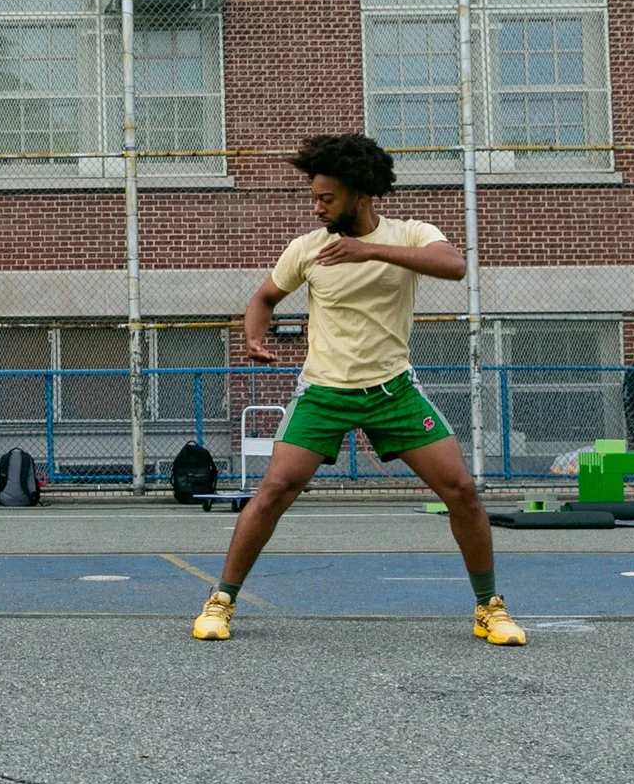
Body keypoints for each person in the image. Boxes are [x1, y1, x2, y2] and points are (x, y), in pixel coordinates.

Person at [194, 134, 524, 647]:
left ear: (360, 195)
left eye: (327, 198)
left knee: (461, 492)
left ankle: (489, 607)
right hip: (324, 391)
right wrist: (254, 333)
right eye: (315, 197)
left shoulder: (411, 233)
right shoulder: (306, 248)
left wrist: (367, 250)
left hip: (392, 390)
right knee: (274, 491)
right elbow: (263, 297)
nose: (317, 206)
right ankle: (221, 600)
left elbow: (455, 266)